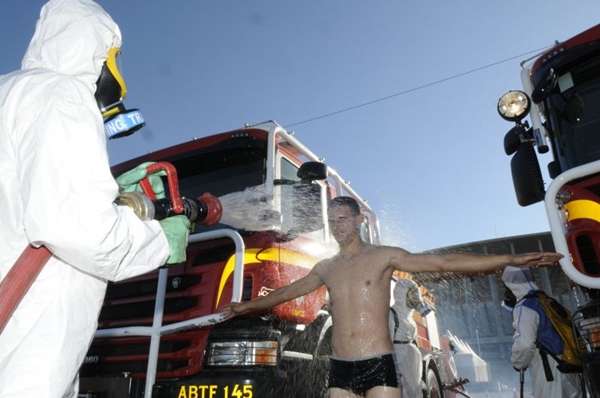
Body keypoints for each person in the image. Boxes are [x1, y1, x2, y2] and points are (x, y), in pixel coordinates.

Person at [0, 1, 189, 396]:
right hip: (26, 333)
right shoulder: (62, 94)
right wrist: (158, 240)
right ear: (96, 49)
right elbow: (79, 228)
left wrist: (114, 195)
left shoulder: (10, 90)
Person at [226, 196, 562, 398]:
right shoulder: (326, 266)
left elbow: (443, 262)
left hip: (378, 364)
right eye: (332, 222)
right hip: (341, 366)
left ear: (358, 221)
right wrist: (246, 306)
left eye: (344, 219)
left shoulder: (384, 256)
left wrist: (511, 259)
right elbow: (288, 292)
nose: (338, 226)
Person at [501, 266, 582, 398]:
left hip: (550, 370)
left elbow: (525, 344)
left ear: (512, 287)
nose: (506, 294)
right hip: (570, 365)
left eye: (506, 288)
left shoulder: (525, 306)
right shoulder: (547, 301)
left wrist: (518, 363)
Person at [388, 278, 427, 397]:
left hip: (411, 357)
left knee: (415, 390)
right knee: (404, 390)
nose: (415, 298)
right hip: (400, 356)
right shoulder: (392, 313)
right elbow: (387, 342)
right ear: (402, 295)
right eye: (412, 294)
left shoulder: (409, 315)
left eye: (416, 294)